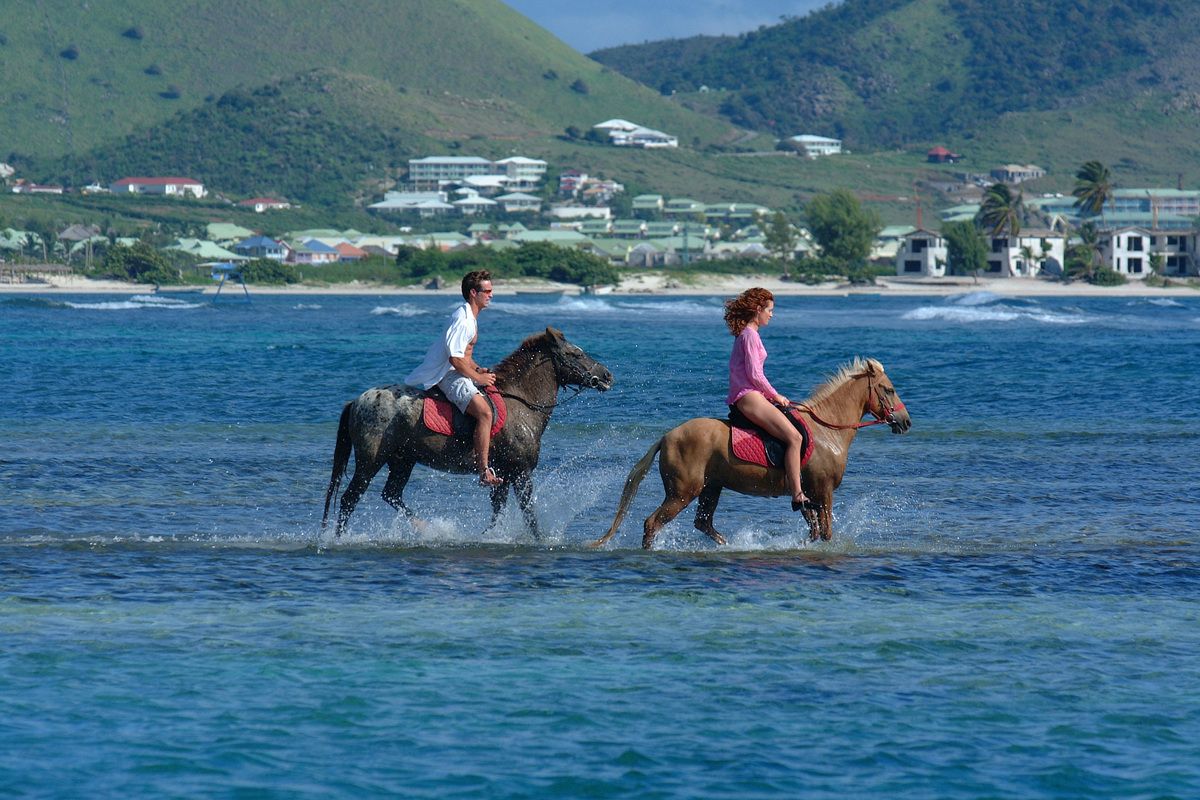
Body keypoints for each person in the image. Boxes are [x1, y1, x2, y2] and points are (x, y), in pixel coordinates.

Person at [406, 270, 504, 487]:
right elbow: (455, 359)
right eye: (487, 291)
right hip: (447, 375)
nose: (491, 295)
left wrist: (480, 369)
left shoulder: (470, 315)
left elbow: (466, 356)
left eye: (491, 290)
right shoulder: (464, 320)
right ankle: (484, 471)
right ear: (473, 293)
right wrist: (478, 378)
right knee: (485, 413)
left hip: (457, 369)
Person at [724, 287, 809, 509]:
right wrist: (775, 395)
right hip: (749, 396)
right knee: (795, 438)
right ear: (758, 310)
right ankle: (797, 493)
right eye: (770, 310)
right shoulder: (750, 335)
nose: (772, 315)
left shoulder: (748, 334)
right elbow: (754, 374)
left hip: (752, 394)